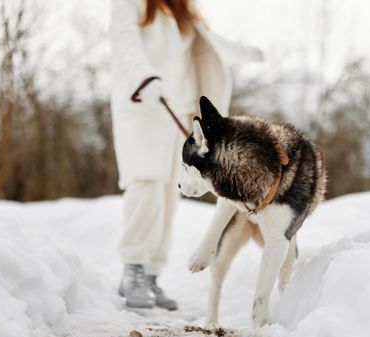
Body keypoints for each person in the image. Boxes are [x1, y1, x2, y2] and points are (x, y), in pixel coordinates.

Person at [110, 0, 262, 310]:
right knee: (147, 182)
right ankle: (133, 268)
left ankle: (151, 273)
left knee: (168, 191)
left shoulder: (180, 9)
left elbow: (211, 44)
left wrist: (246, 53)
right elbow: (124, 41)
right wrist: (145, 77)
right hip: (144, 106)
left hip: (179, 114)